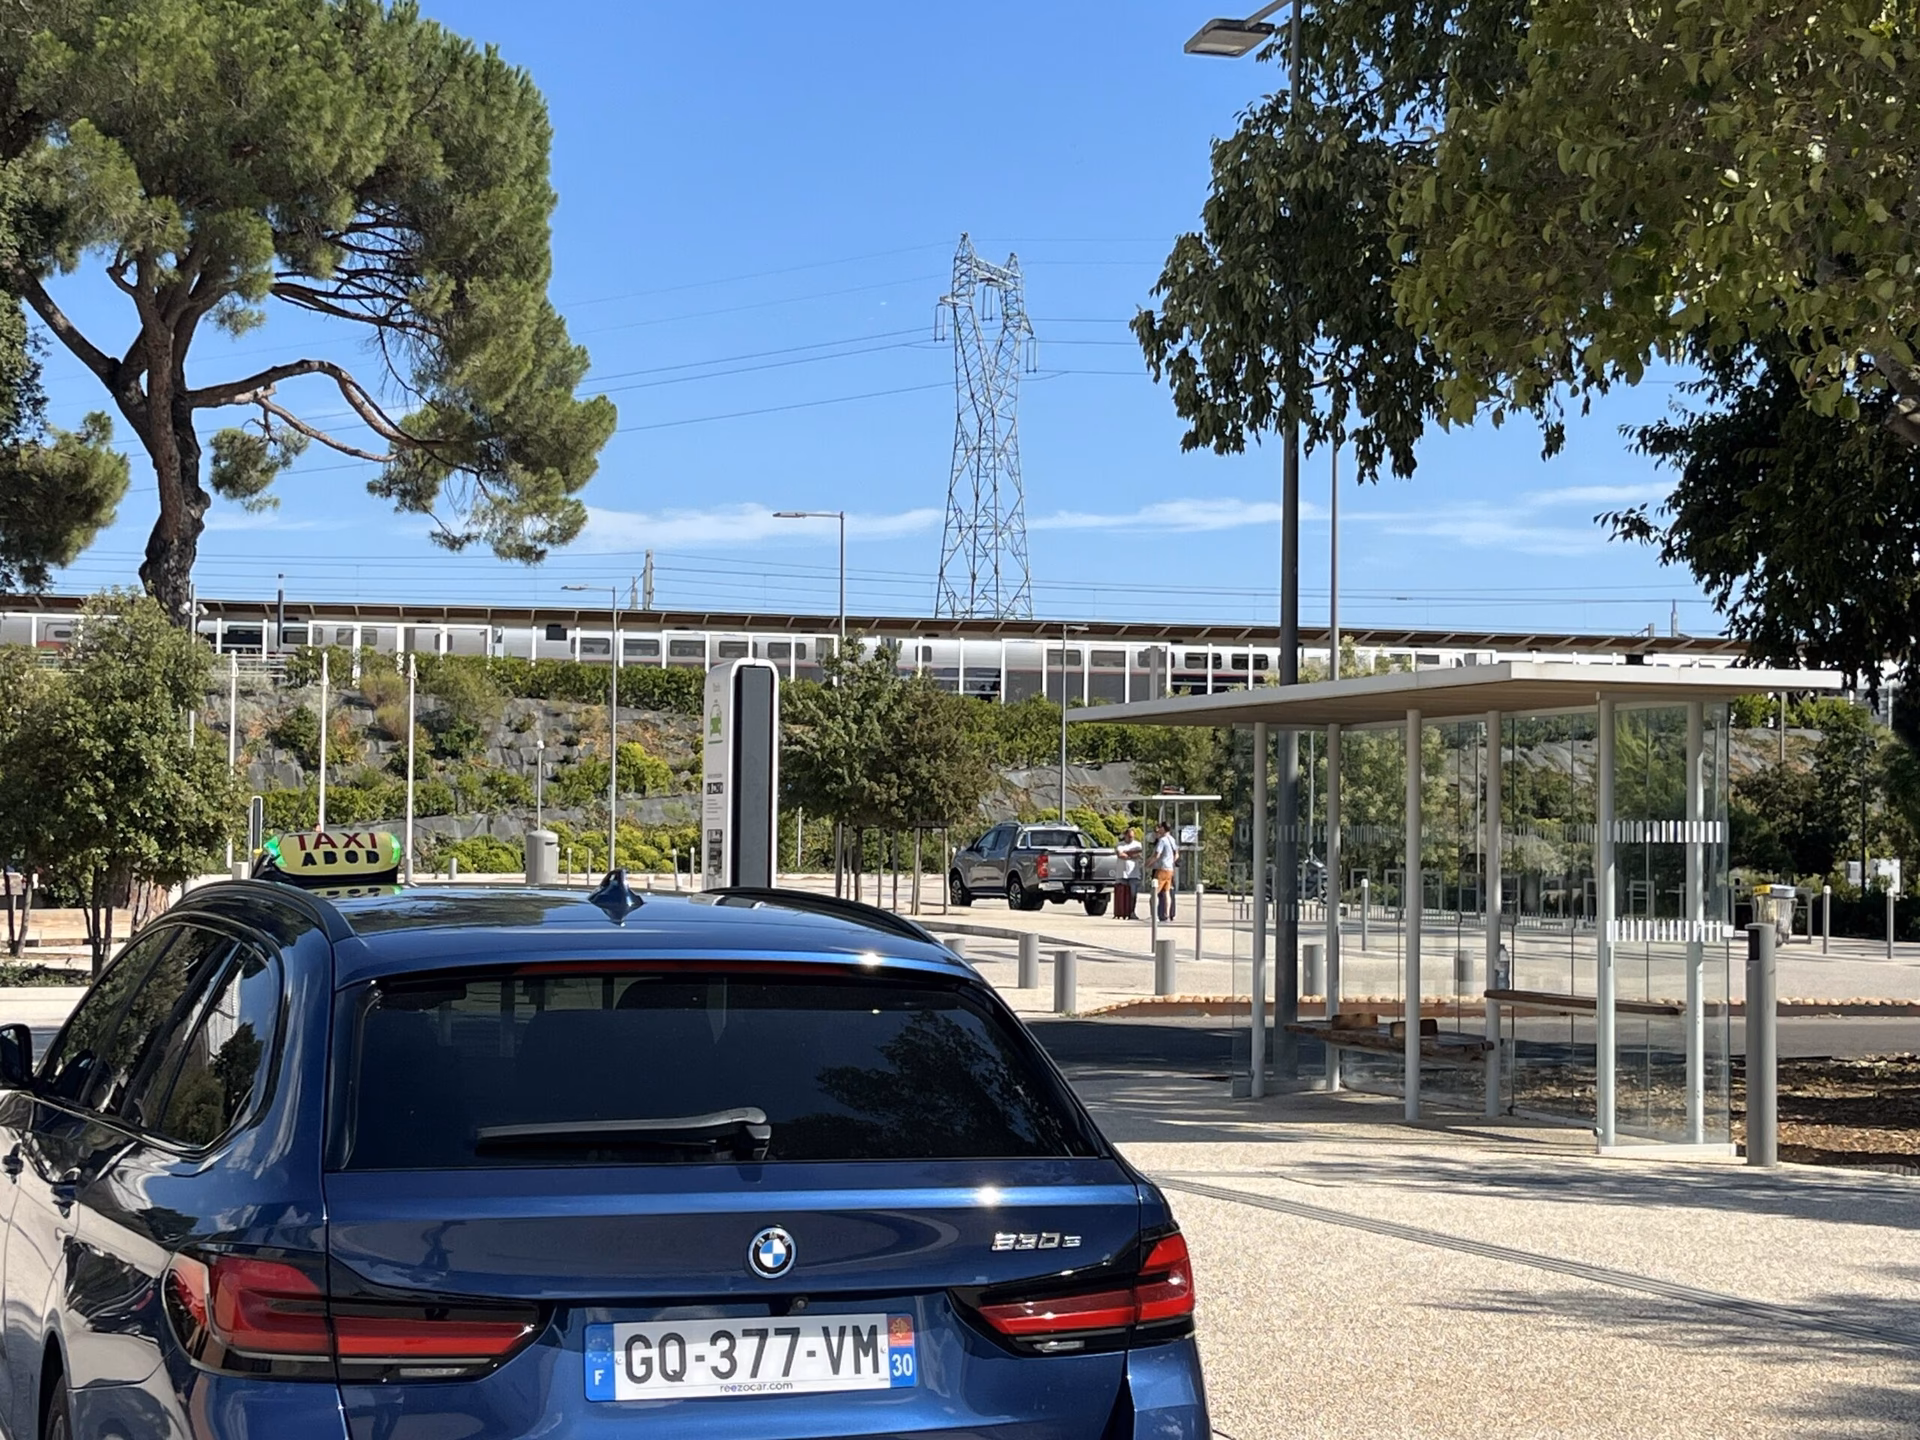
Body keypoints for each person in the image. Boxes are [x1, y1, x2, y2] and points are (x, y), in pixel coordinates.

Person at [1152, 821, 1178, 922]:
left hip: (1162, 868)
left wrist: (1148, 863)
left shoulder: (1162, 840)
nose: (1159, 829)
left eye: (1160, 828)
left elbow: (1157, 855)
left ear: (1163, 828)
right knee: (1167, 892)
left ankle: (1154, 915)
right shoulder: (1172, 839)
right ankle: (1167, 914)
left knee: (1154, 892)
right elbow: (1176, 854)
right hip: (1170, 869)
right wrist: (1171, 862)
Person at [1114, 827, 1143, 920]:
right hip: (1122, 874)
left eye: (1132, 837)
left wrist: (1128, 854)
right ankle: (1121, 912)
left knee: (1133, 895)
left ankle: (1132, 912)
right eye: (1129, 837)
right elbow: (1120, 855)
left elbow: (1139, 854)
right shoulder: (1120, 845)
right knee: (1121, 895)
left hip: (1134, 874)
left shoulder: (1138, 845)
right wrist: (1132, 856)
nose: (1131, 839)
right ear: (1125, 836)